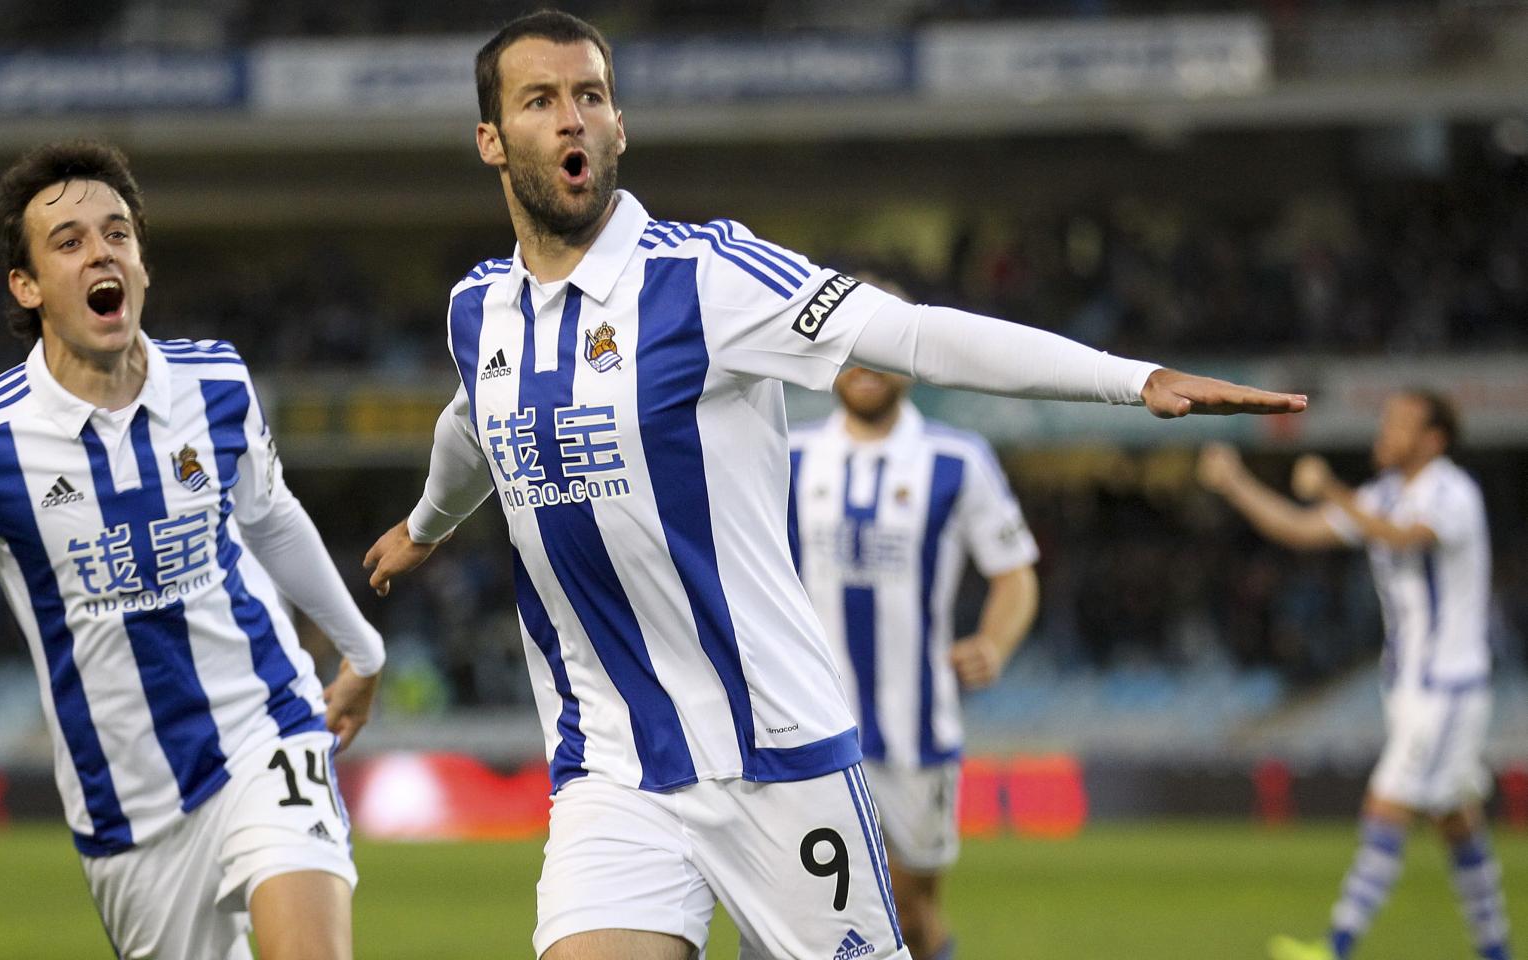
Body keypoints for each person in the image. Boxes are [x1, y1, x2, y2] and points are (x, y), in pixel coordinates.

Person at [363, 11, 1304, 960]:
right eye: (540, 101)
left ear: (619, 126)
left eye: (591, 96)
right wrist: (427, 525)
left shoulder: (705, 279)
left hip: (777, 753)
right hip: (613, 767)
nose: (573, 117)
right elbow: (472, 423)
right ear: (491, 140)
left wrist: (1130, 379)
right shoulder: (480, 310)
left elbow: (917, 335)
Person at [0, 139, 384, 960]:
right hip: (127, 812)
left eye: (117, 232)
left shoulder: (218, 385)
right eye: (68, 241)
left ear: (142, 264)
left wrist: (362, 649)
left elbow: (270, 516)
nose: (101, 251)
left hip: (265, 729)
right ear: (26, 287)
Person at [1197, 391, 1507, 960]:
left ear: (1433, 440)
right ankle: (1496, 950)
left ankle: (1336, 946)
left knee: (1386, 805)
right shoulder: (1383, 494)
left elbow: (1403, 536)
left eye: (1400, 424)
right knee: (1456, 823)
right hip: (1410, 687)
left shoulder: (1452, 492)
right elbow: (1299, 528)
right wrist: (1235, 482)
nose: (1385, 432)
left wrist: (1332, 489)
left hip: (1447, 686)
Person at [788, 364, 1039, 960]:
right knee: (820, 913)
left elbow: (1015, 574)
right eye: (853, 352)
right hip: (812, 727)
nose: (865, 368)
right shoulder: (788, 452)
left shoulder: (957, 459)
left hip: (917, 733)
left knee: (910, 914)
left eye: (881, 352)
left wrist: (993, 643)